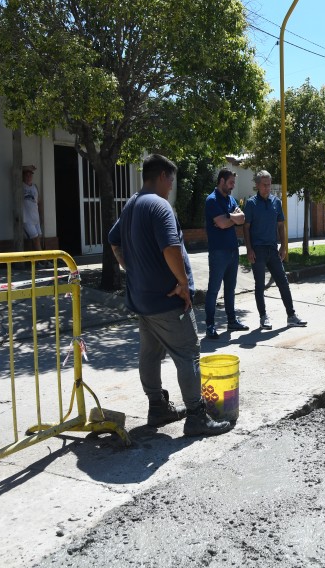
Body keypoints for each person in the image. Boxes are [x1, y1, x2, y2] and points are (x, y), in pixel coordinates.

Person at [108, 154, 231, 437]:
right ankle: (197, 416)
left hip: (142, 299)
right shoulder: (159, 206)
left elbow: (114, 240)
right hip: (166, 299)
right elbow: (171, 248)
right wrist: (183, 284)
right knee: (188, 352)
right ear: (162, 176)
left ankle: (157, 407)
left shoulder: (131, 204)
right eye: (171, 180)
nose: (172, 187)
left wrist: (131, 268)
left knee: (150, 353)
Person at [242, 170, 307, 330]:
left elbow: (280, 225)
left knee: (283, 282)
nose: (267, 188)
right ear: (257, 186)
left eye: (269, 184)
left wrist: (284, 246)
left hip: (272, 249)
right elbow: (246, 227)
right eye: (264, 185)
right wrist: (249, 249)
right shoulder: (251, 203)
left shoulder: (276, 202)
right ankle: (263, 317)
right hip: (257, 250)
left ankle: (291, 316)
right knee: (259, 285)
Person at [204, 168, 248, 339]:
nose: (232, 187)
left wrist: (228, 217)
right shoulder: (212, 200)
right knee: (213, 290)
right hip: (218, 252)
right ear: (221, 181)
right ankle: (210, 326)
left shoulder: (230, 199)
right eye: (230, 183)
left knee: (230, 289)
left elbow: (242, 218)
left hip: (232, 251)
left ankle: (232, 321)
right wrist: (232, 219)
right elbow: (221, 224)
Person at [22, 165, 50, 268]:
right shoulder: (20, 186)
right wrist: (28, 167)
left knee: (37, 239)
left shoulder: (35, 187)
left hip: (36, 218)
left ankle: (37, 262)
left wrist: (41, 216)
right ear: (24, 176)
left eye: (30, 175)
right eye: (27, 174)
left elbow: (39, 202)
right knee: (36, 239)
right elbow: (15, 169)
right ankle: (44, 261)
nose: (29, 176)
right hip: (26, 218)